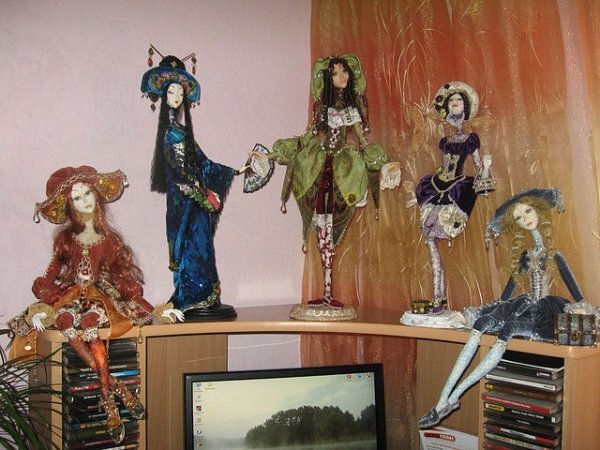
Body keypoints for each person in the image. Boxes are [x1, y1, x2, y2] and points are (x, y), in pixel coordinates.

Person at [7, 165, 183, 444]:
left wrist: (154, 310)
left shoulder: (110, 240)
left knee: (90, 324)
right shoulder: (66, 240)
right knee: (64, 321)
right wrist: (43, 304)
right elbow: (48, 277)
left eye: (87, 193)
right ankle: (118, 388)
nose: (84, 200)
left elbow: (124, 278)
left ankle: (107, 401)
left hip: (101, 295)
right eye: (77, 197)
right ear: (70, 206)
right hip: (72, 294)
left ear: (97, 195)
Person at [418, 188, 585, 429]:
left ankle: (453, 398)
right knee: (481, 323)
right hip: (523, 304)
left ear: (538, 210)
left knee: (509, 328)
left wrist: (582, 309)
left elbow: (576, 293)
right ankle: (442, 401)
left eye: (528, 211)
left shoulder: (554, 256)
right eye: (518, 217)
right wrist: (482, 312)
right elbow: (506, 295)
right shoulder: (525, 257)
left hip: (544, 313)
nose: (525, 219)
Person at [257, 54, 400, 314]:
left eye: (344, 72)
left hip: (341, 170)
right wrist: (275, 153)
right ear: (327, 78)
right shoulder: (322, 107)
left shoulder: (353, 109)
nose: (341, 77)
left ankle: (328, 292)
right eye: (335, 73)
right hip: (320, 166)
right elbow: (308, 136)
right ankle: (325, 292)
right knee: (320, 226)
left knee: (330, 228)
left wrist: (381, 162)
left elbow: (363, 141)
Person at [141, 55, 243, 320]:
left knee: (201, 244)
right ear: (163, 95)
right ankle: (190, 296)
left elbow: (203, 163)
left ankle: (203, 295)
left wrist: (233, 171)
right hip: (185, 201)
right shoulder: (170, 133)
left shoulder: (182, 132)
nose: (176, 97)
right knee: (190, 245)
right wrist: (199, 189)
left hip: (195, 199)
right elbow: (181, 170)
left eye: (180, 92)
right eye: (171, 91)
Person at [415, 81, 495, 313]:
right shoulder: (445, 141)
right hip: (440, 185)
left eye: (458, 100)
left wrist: (485, 167)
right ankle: (438, 299)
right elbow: (444, 168)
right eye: (451, 101)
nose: (455, 103)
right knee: (430, 241)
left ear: (465, 106)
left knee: (435, 239)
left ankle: (439, 299)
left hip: (456, 189)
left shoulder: (470, 139)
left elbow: (478, 167)